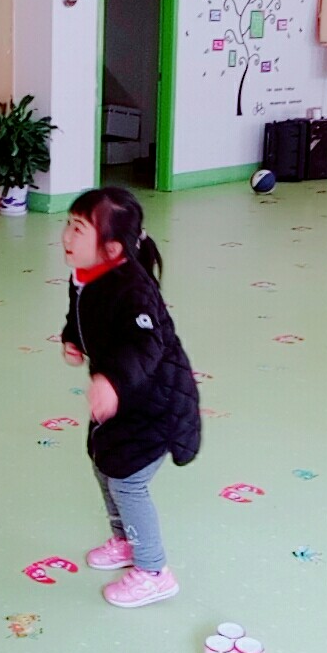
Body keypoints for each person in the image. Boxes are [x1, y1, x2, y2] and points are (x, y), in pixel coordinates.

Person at [59, 187, 201, 608]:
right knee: (105, 463)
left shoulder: (133, 289)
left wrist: (112, 382)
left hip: (155, 403)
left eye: (79, 228)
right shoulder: (86, 274)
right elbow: (80, 314)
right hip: (123, 400)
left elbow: (145, 346)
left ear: (112, 248)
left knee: (128, 481)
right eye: (68, 224)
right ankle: (125, 541)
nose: (66, 236)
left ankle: (154, 571)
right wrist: (72, 338)